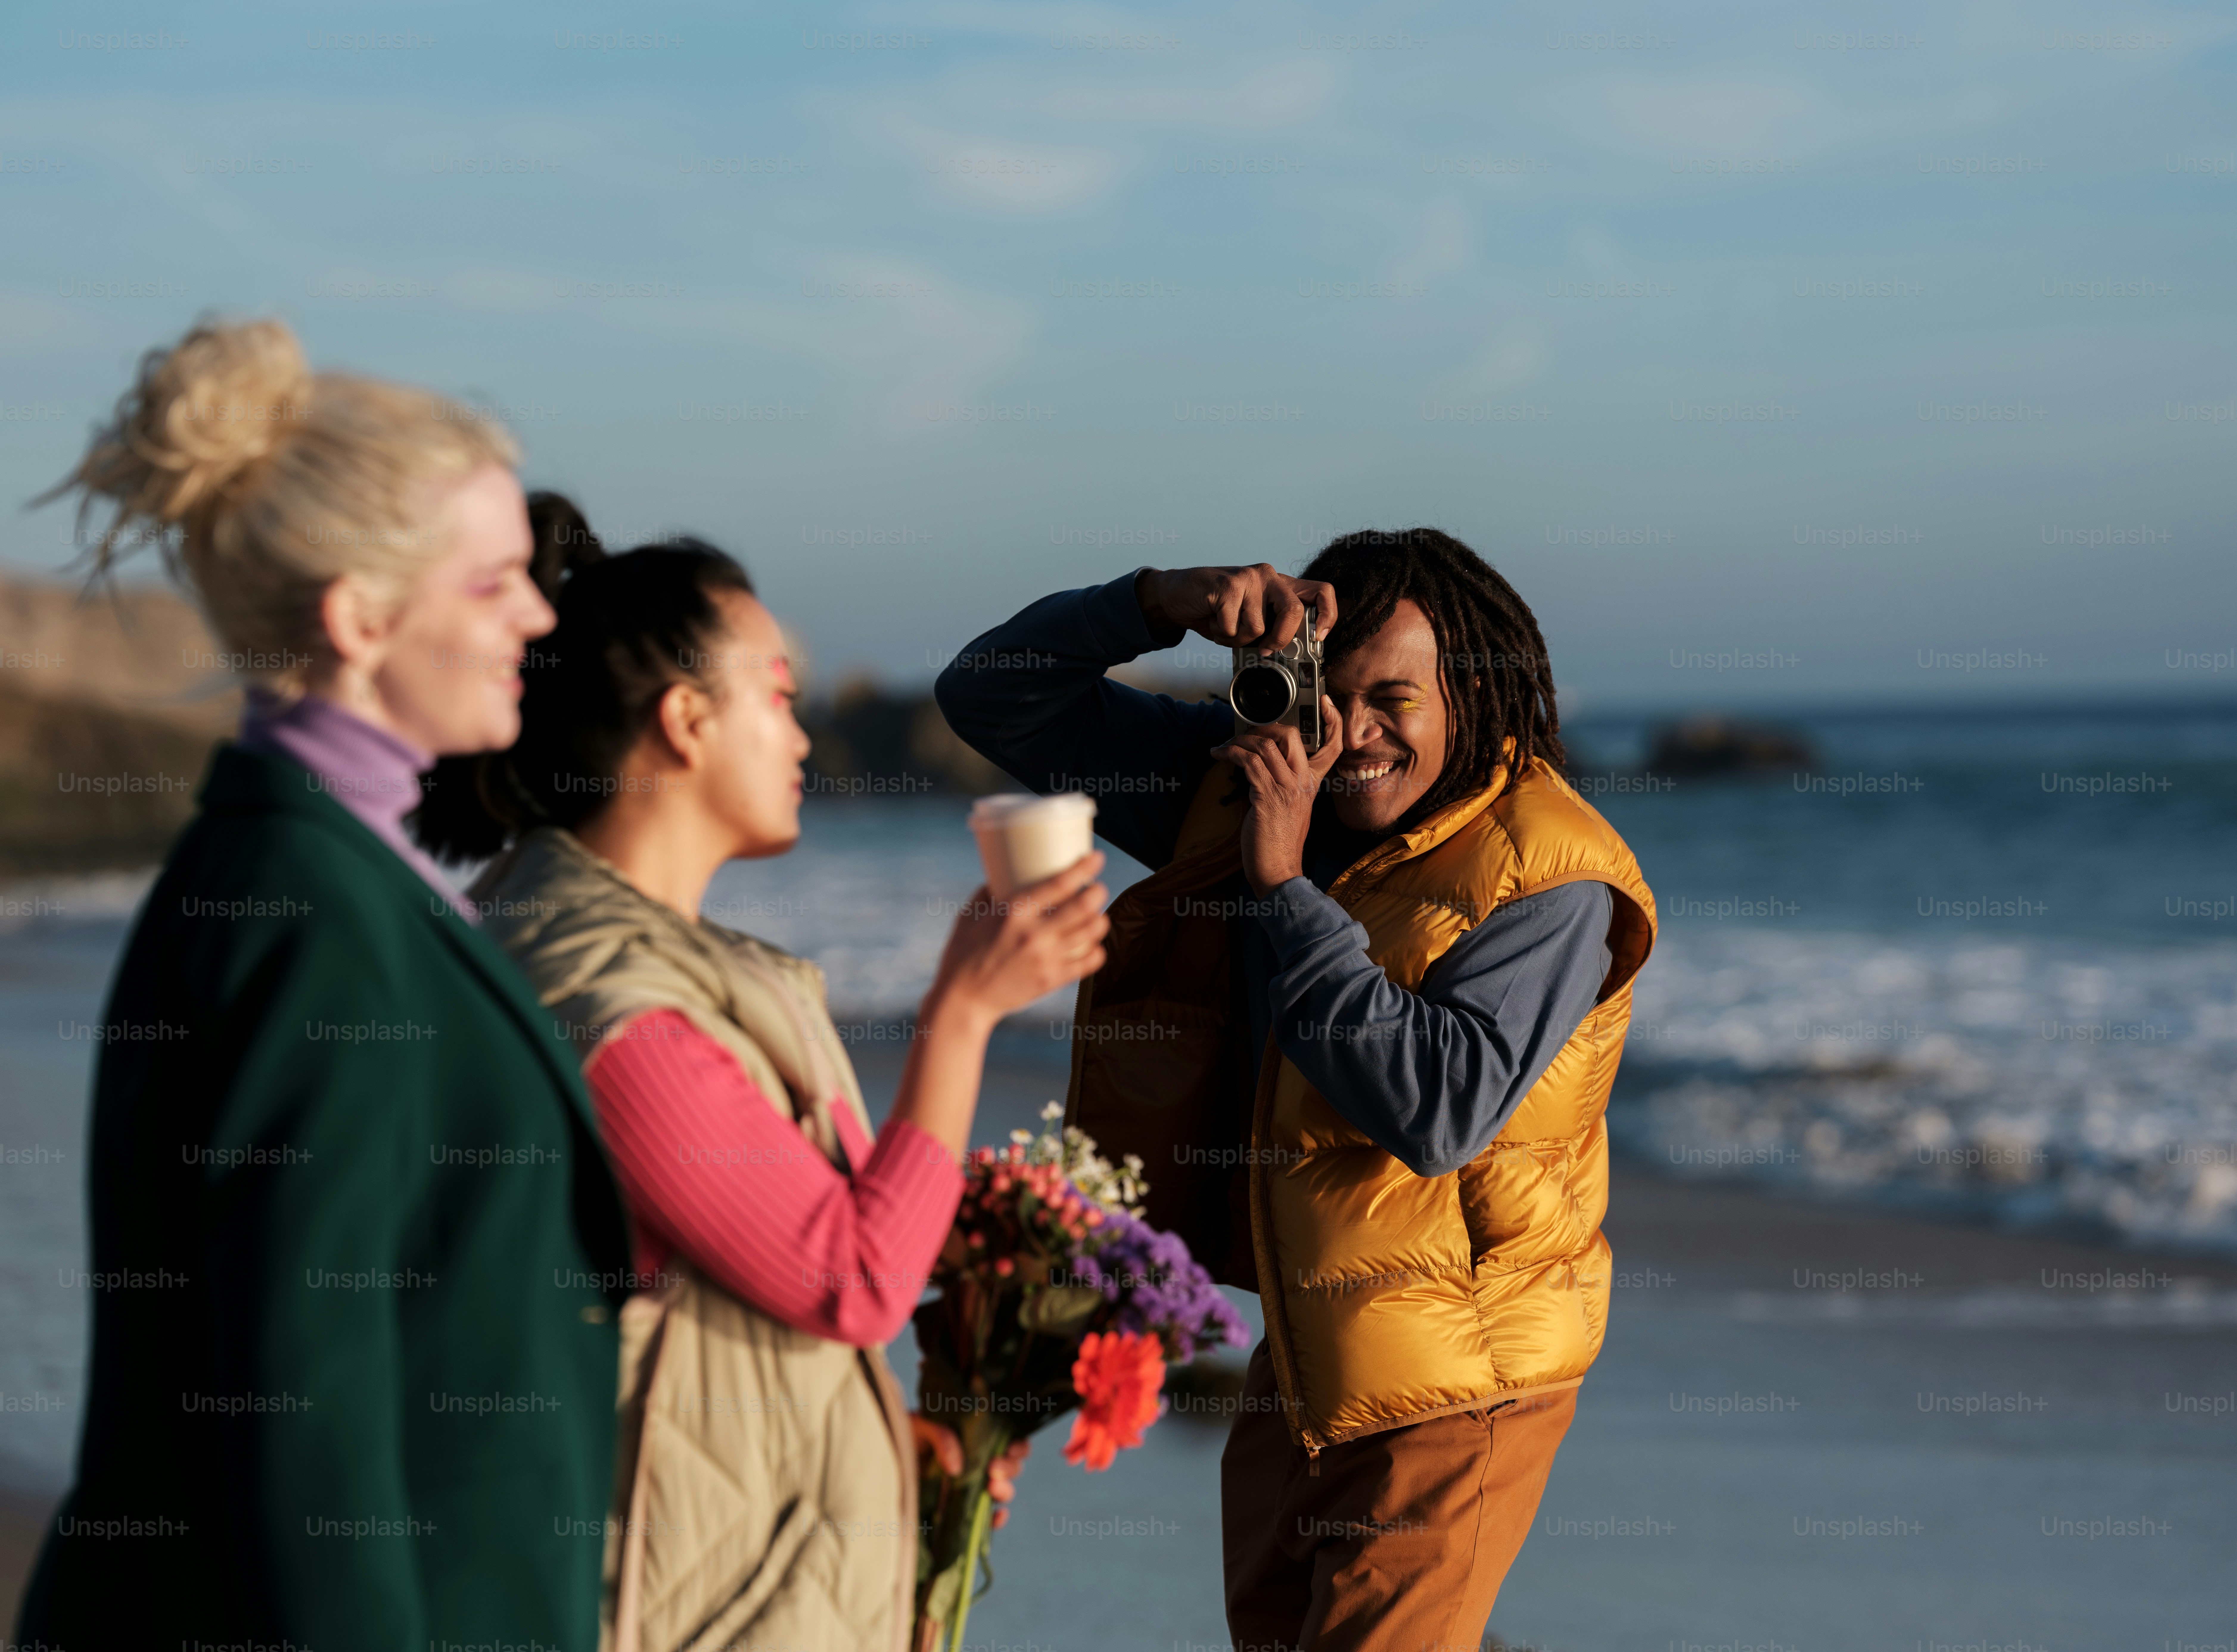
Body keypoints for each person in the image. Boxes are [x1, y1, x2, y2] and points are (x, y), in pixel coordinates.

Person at [16, 319, 634, 1650]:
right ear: (360, 618)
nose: (539, 617)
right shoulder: (309, 911)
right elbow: (301, 1414)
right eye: (494, 586)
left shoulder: (330, 874)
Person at [934, 535, 1658, 1652]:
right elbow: (991, 697)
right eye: (1332, 690)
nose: (1352, 733)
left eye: (1394, 700)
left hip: (1463, 1383)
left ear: (1473, 699)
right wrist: (1154, 601)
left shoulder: (1548, 873)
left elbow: (1436, 1108)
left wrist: (1281, 888)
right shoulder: (1257, 781)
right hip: (1308, 1348)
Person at [411, 511, 1109, 1652]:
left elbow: (715, 1292)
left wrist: (876, 1434)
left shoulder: (626, 953)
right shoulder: (608, 1005)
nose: (798, 737)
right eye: (777, 697)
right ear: (685, 721)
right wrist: (964, 1012)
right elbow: (856, 1275)